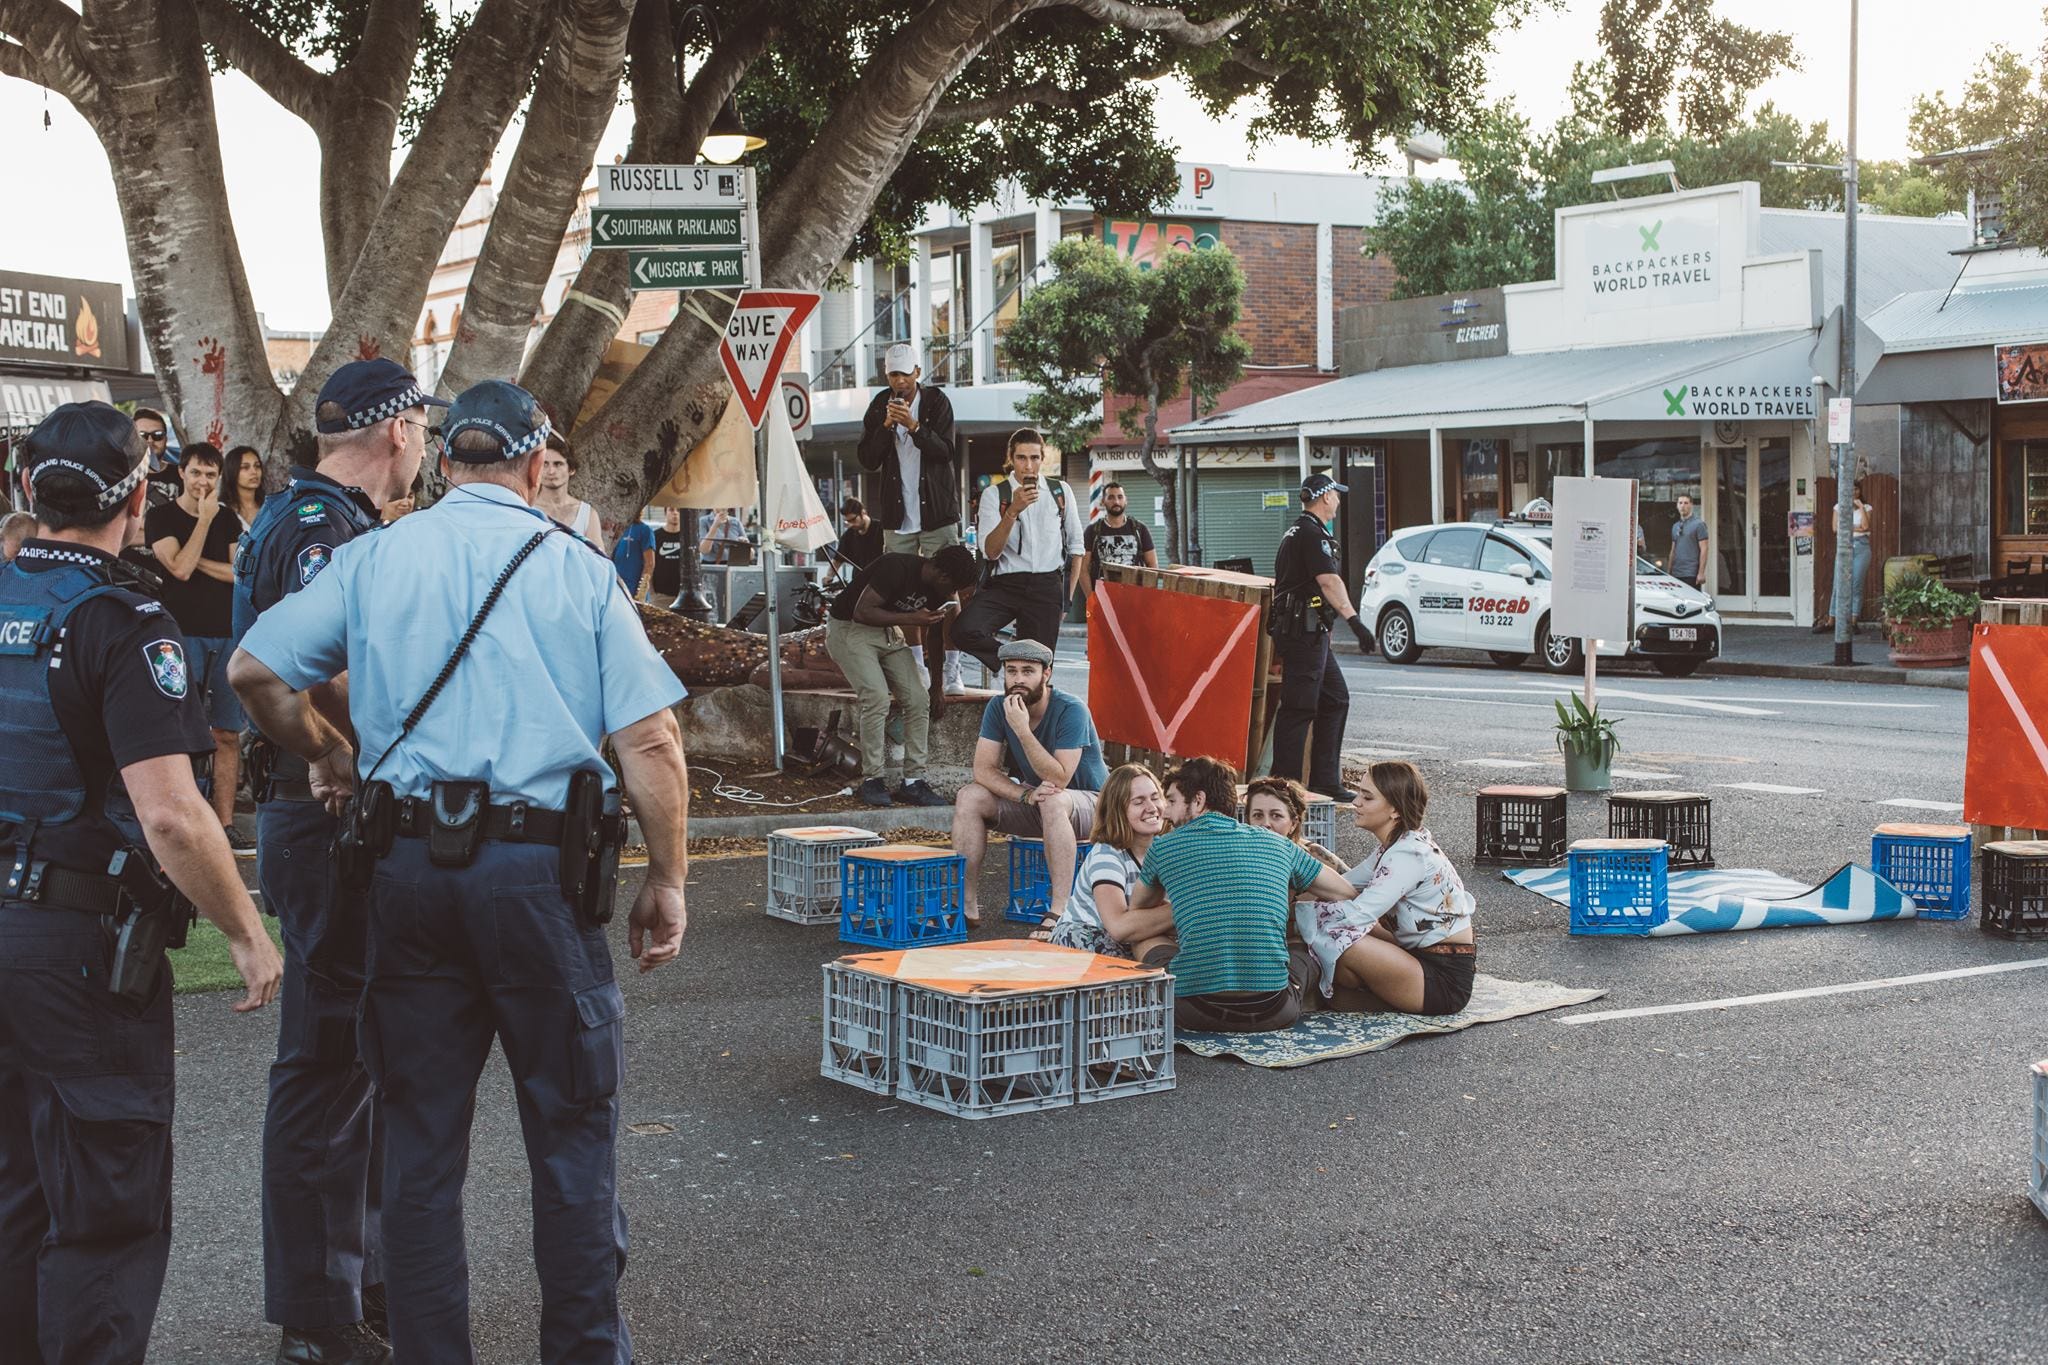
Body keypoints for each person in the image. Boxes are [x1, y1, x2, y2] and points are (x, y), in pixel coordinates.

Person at [231, 378, 690, 1364]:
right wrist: (669, 877)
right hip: (539, 880)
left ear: (443, 460)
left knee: (422, 1150)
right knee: (570, 1138)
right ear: (535, 464)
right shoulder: (573, 569)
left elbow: (255, 673)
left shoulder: (375, 557)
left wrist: (326, 750)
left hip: (407, 877)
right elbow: (650, 739)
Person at [0, 401, 280, 1363]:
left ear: (26, 492)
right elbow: (171, 811)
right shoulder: (123, 621)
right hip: (79, 951)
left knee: (14, 1195)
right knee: (107, 1211)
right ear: (133, 500)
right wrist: (244, 930)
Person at [231, 356, 443, 1364]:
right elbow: (336, 675)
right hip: (323, 815)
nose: (427, 450)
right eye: (425, 432)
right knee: (324, 1062)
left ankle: (354, 1286)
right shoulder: (324, 531)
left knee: (357, 1057)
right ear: (397, 430)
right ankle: (318, 1313)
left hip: (327, 815)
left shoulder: (310, 518)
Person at [1128, 755, 1356, 1032]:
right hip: (1274, 1011)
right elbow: (1344, 892)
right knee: (1302, 941)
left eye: (1173, 801)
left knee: (1147, 935)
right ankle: (1307, 995)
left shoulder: (1163, 847)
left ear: (1198, 801)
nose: (1165, 812)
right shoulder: (1278, 844)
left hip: (1192, 1010)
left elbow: (1137, 911)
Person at [1295, 761, 1477, 1017]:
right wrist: (1294, 891)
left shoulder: (1407, 854)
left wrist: (1296, 914)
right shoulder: (1395, 846)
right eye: (1359, 793)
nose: (1356, 802)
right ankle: (1369, 997)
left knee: (1338, 936)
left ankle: (1373, 999)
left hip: (1443, 980)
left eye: (1367, 797)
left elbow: (1357, 916)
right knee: (1327, 926)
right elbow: (1343, 884)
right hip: (1417, 958)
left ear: (1395, 810)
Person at [951, 639, 1106, 928]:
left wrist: (1022, 730)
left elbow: (1059, 778)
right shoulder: (999, 707)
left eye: (1027, 671)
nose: (1018, 679)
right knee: (970, 796)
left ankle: (1060, 911)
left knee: (1053, 798)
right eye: (1011, 671)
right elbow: (983, 771)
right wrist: (1025, 795)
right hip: (1042, 802)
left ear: (1046, 674)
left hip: (1094, 806)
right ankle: (966, 905)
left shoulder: (1071, 709)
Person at [144, 441, 252, 849]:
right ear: (181, 473)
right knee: (181, 731)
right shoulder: (161, 517)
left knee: (226, 733)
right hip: (178, 634)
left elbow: (237, 573)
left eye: (210, 475)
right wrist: (203, 523)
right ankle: (185, 817)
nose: (203, 482)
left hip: (225, 633)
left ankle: (224, 823)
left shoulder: (226, 518)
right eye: (196, 473)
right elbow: (179, 568)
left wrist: (210, 540)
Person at [823, 546, 976, 808]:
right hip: (850, 628)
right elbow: (862, 611)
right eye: (952, 587)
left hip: (887, 632)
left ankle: (913, 782)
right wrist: (912, 617)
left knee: (918, 699)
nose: (952, 595)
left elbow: (935, 636)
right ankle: (872, 779)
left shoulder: (940, 591)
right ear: (941, 575)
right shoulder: (896, 567)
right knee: (876, 696)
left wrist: (936, 687)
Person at [856, 341, 966, 694]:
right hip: (898, 516)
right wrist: (886, 426)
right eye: (893, 374)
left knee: (948, 591)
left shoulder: (936, 403)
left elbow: (946, 452)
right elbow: (868, 460)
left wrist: (916, 427)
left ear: (918, 372)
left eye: (905, 374)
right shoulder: (878, 406)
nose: (899, 382)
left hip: (936, 513)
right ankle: (916, 665)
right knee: (901, 592)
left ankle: (952, 668)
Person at [1270, 472, 1372, 802]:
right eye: (1336, 495)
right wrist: (1355, 623)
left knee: (1335, 698)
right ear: (1325, 497)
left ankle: (1325, 780)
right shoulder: (1312, 535)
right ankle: (1283, 788)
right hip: (1302, 631)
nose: (1339, 501)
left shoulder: (1298, 531)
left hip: (1310, 630)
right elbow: (1328, 581)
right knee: (1299, 708)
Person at [954, 428, 1087, 675]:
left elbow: (1077, 548)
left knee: (1038, 672)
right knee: (964, 630)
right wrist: (1012, 511)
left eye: (1034, 458)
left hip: (1046, 586)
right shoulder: (995, 495)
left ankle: (1027, 695)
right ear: (1011, 458)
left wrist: (1065, 602)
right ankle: (1011, 659)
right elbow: (991, 552)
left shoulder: (1060, 492)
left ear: (1042, 458)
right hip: (1006, 584)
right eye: (1021, 458)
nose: (1028, 465)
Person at [1046, 763, 1177, 960]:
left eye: (1155, 797)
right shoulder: (1107, 854)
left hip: (1133, 938)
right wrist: (1189, 908)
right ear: (1118, 810)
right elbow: (1118, 927)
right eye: (1138, 802)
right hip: (1085, 942)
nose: (1151, 808)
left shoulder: (1165, 849)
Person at [1243, 775, 1345, 873]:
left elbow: (1353, 886)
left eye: (1276, 816)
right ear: (1248, 821)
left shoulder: (1312, 855)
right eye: (1258, 815)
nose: (1266, 824)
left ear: (1293, 824)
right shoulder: (1238, 857)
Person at [1815, 481, 1873, 633]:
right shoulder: (1838, 507)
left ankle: (1853, 621)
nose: (1853, 492)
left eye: (1856, 489)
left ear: (1860, 491)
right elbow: (1835, 528)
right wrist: (1856, 527)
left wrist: (1860, 508)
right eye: (1850, 489)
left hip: (1861, 546)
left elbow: (1866, 527)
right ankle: (1831, 621)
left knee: (1856, 584)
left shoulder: (1866, 508)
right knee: (1838, 583)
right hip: (1844, 546)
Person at [1082, 479, 1157, 590]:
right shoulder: (1092, 531)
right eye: (1111, 497)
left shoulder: (1140, 529)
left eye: (1120, 497)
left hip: (1134, 595)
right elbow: (1083, 568)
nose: (1116, 501)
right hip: (1103, 596)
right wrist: (1091, 598)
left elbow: (1152, 565)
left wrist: (1149, 597)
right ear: (1103, 501)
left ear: (1126, 501)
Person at [535, 433, 603, 545]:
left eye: (558, 464)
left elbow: (599, 560)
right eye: (545, 464)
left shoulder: (586, 514)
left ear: (571, 469)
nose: (551, 471)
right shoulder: (528, 509)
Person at [133, 406, 182, 510]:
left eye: (157, 435)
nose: (150, 440)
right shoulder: (123, 478)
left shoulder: (183, 475)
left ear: (166, 439)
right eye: (142, 435)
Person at [1668, 492, 1709, 591]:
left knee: (1692, 603)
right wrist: (1668, 571)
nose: (1683, 506)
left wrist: (1701, 573)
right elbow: (1673, 550)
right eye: (1680, 503)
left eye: (1686, 503)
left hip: (1691, 573)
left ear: (1691, 505)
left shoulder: (1699, 524)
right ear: (1677, 505)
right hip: (1676, 572)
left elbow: (1704, 549)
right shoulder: (1675, 526)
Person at [612, 511, 657, 600]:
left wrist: (640, 594)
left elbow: (650, 563)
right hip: (617, 591)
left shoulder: (645, 530)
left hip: (635, 593)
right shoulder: (617, 529)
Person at [224, 443, 269, 533]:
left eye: (257, 466)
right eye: (245, 467)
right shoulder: (222, 511)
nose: (254, 472)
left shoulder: (270, 507)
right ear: (232, 471)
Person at [835, 496, 882, 573]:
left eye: (853, 520)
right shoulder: (848, 535)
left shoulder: (881, 529)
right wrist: (829, 576)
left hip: (879, 578)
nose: (850, 524)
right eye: (847, 521)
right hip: (859, 580)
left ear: (863, 513)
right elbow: (837, 560)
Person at [650, 507, 685, 605]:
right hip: (661, 596)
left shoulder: (687, 536)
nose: (675, 513)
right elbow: (649, 564)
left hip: (684, 596)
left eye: (678, 510)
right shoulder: (655, 535)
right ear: (665, 513)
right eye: (671, 510)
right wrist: (652, 593)